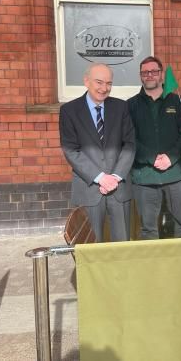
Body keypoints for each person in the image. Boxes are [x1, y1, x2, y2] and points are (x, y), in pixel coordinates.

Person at [59, 63, 135, 242]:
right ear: (86, 81)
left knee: (122, 244)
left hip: (119, 187)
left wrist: (115, 176)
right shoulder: (69, 111)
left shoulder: (121, 107)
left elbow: (130, 145)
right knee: (90, 246)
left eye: (109, 83)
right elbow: (71, 150)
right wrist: (101, 177)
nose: (104, 88)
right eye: (99, 82)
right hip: (89, 188)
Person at [127, 56, 181, 239]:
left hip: (176, 175)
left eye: (154, 71)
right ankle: (152, 267)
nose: (149, 75)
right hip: (144, 177)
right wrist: (151, 158)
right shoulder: (130, 105)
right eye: (145, 72)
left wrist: (170, 157)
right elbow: (128, 139)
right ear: (140, 76)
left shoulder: (177, 102)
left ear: (161, 75)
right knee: (148, 230)